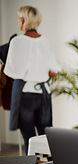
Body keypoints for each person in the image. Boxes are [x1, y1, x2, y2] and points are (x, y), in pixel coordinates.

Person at [4, 6, 61, 154]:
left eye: (18, 18)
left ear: (22, 20)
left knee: (29, 138)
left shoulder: (16, 41)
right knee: (44, 137)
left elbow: (11, 72)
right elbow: (55, 69)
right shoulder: (46, 41)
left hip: (25, 95)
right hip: (43, 94)